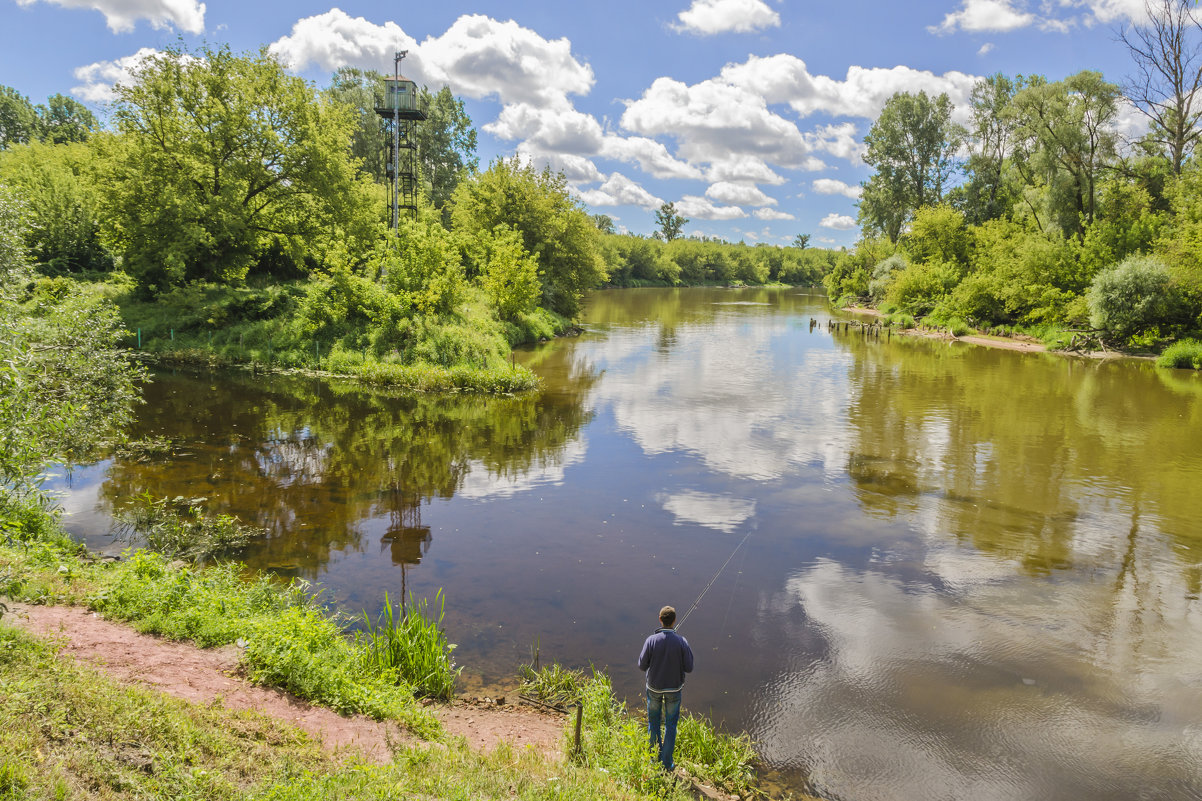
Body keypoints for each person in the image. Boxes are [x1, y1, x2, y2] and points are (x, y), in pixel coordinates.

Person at [637, 605, 694, 771]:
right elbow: (689, 668)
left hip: (654, 688)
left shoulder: (651, 640)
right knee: (671, 725)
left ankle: (654, 759)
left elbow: (642, 665)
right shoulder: (682, 642)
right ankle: (667, 763)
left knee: (653, 722)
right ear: (674, 621)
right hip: (674, 690)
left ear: (660, 620)